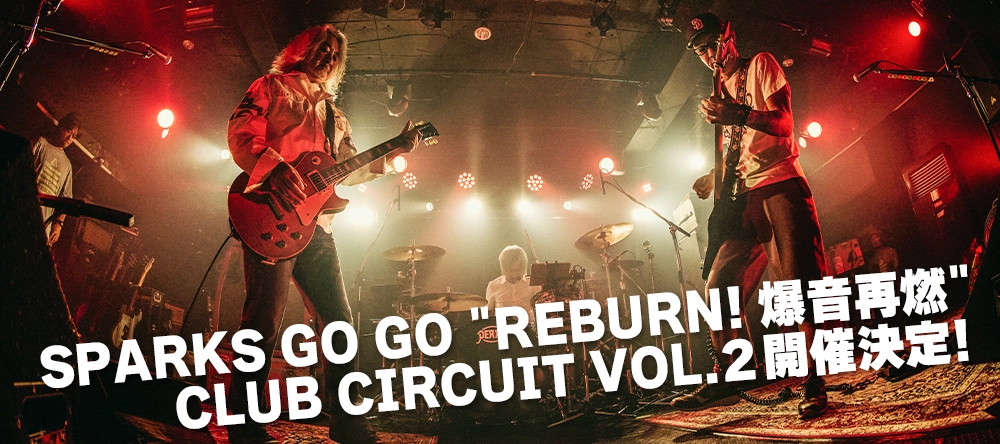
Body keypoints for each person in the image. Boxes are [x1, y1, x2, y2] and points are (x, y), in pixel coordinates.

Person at [226, 24, 420, 444]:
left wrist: (394, 152)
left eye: (335, 54)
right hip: (270, 217)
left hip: (317, 226)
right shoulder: (272, 87)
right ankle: (243, 423)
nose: (329, 56)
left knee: (339, 324)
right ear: (302, 49)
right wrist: (274, 168)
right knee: (262, 322)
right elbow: (241, 132)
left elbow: (348, 170)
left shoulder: (336, 116)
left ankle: (347, 421)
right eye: (322, 48)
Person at [669, 13, 830, 420]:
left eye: (711, 44)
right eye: (699, 50)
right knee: (719, 286)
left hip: (779, 182)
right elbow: (741, 148)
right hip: (743, 196)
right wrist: (714, 176)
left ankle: (815, 379)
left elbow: (784, 123)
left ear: (729, 38)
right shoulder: (719, 91)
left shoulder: (760, 65)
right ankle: (732, 373)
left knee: (798, 285)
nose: (708, 54)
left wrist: (738, 113)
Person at [32, 113, 80, 246]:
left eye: (74, 136)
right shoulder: (41, 143)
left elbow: (66, 200)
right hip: (24, 211)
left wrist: (58, 225)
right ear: (61, 127)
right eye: (69, 131)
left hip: (43, 226)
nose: (70, 138)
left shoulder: (67, 165)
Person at [485, 246, 541, 325]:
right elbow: (487, 312)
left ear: (523, 267)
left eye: (517, 270)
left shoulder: (533, 284)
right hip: (502, 329)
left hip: (528, 329)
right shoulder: (493, 286)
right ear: (504, 268)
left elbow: (542, 309)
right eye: (511, 271)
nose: (514, 275)